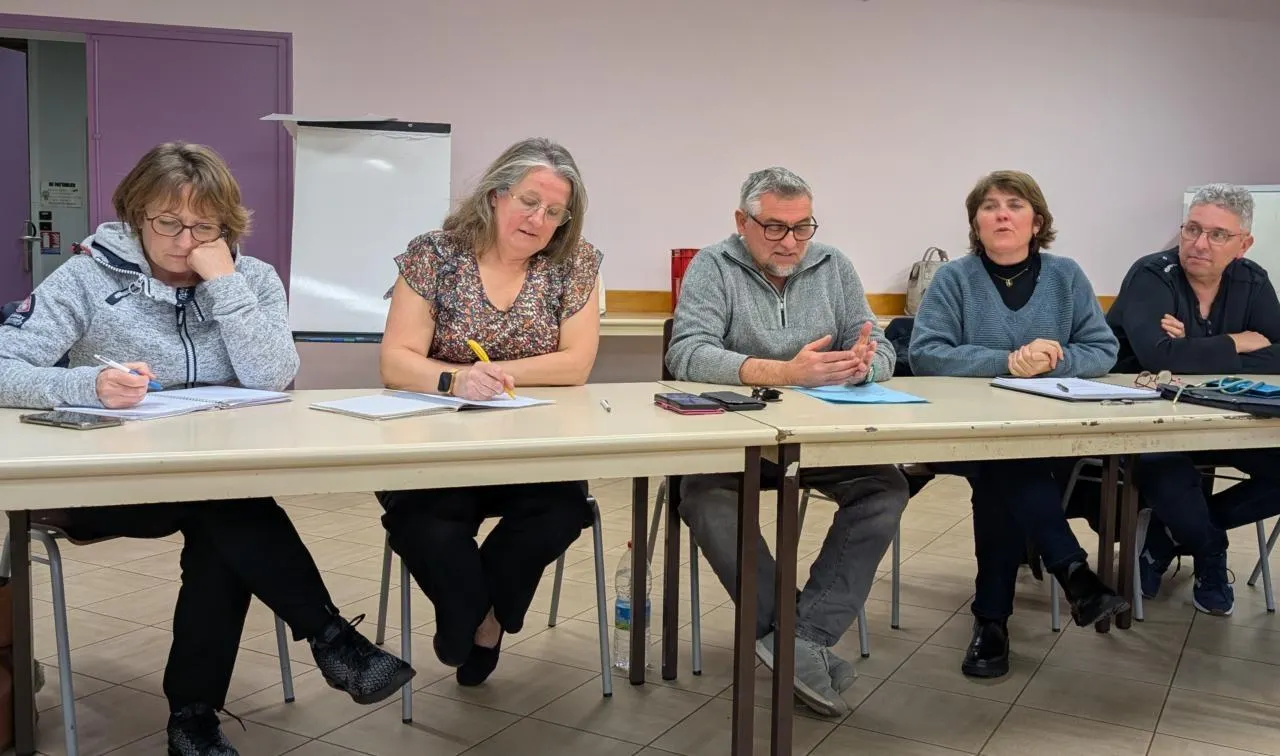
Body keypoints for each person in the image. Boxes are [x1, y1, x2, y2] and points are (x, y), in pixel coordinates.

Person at [0, 142, 414, 756]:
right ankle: (328, 642)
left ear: (227, 226)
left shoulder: (253, 279)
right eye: (168, 222)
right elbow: (4, 366)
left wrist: (224, 283)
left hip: (210, 482)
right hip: (107, 485)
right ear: (136, 215)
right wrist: (87, 384)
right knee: (230, 509)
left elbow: (272, 376)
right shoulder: (87, 278)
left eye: (205, 226)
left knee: (220, 514)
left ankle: (194, 721)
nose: (185, 241)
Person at [666, 167, 909, 717]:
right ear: (742, 221)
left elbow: (882, 349)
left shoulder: (834, 265)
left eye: (803, 228)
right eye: (775, 228)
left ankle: (801, 638)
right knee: (704, 499)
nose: (791, 242)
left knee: (886, 487)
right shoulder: (713, 265)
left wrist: (862, 366)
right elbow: (687, 353)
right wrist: (785, 372)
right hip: (733, 444)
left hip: (819, 440)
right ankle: (800, 642)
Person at [376, 137, 602, 686]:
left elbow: (576, 363)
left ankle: (487, 619)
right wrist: (456, 379)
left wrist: (497, 374)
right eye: (529, 201)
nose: (538, 220)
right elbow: (396, 360)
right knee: (424, 524)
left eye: (554, 211)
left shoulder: (575, 262)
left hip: (533, 448)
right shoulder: (436, 254)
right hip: (438, 444)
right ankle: (473, 615)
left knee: (560, 513)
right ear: (496, 195)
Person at [909, 170, 1128, 679]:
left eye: (1014, 205)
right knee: (1002, 461)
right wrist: (1007, 362)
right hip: (963, 434)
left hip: (1048, 433)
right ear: (976, 224)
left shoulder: (1066, 276)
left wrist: (1052, 360)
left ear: (1037, 222)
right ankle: (1072, 573)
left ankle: (993, 623)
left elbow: (1103, 350)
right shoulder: (954, 279)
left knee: (1003, 474)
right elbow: (926, 354)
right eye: (989, 207)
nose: (1001, 215)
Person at [1108, 183, 1280, 616]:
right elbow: (1158, 358)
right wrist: (1237, 341)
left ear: (1243, 244)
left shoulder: (1253, 280)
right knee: (1169, 473)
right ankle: (1209, 551)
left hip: (1224, 422)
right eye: (1192, 229)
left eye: (1218, 234)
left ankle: (1166, 538)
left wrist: (1193, 348)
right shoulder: (1152, 275)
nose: (1200, 244)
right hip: (1147, 421)